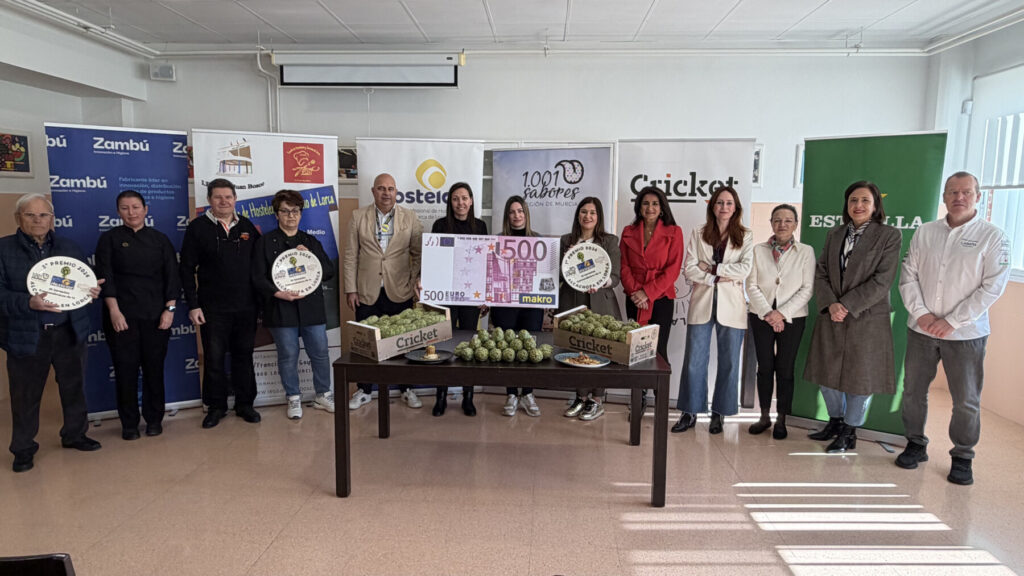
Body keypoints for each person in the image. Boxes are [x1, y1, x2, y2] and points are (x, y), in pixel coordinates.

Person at [896, 171, 1011, 485]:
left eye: (966, 192)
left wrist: (951, 321)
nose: (959, 197)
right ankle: (915, 443)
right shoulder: (925, 232)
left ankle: (962, 456)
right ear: (944, 196)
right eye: (952, 192)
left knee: (966, 399)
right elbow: (908, 276)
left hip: (965, 334)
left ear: (978, 196)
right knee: (913, 392)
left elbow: (992, 287)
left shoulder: (993, 236)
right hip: (921, 329)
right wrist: (921, 314)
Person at [0, 193, 102, 472]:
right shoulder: (3, 249)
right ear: (18, 218)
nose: (37, 220)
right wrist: (26, 302)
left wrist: (90, 292)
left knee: (74, 387)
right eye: (30, 215)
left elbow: (82, 285)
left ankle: (74, 434)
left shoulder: (69, 247)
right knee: (25, 395)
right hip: (27, 334)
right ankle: (22, 448)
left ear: (51, 218)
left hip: (68, 331)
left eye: (43, 215)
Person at [803, 181, 902, 452]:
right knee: (827, 374)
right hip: (831, 315)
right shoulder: (834, 234)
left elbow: (883, 280)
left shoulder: (889, 235)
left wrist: (846, 304)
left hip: (866, 317)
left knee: (860, 379)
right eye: (853, 200)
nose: (858, 205)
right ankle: (834, 421)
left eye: (865, 201)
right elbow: (821, 271)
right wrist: (831, 305)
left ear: (875, 205)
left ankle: (850, 430)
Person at [94, 190, 180, 440]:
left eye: (135, 207)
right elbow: (105, 276)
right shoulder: (109, 240)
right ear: (118, 211)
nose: (131, 212)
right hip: (121, 317)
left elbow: (172, 278)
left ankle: (154, 419)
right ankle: (129, 424)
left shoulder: (160, 240)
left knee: (154, 370)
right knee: (125, 371)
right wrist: (114, 311)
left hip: (157, 317)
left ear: (145, 209)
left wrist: (170, 310)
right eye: (124, 208)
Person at [179, 178, 263, 429]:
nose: (224, 201)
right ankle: (216, 407)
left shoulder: (247, 226)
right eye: (218, 197)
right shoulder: (197, 228)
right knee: (214, 359)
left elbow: (260, 267)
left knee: (244, 357)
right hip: (212, 308)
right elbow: (185, 269)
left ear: (235, 199)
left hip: (246, 307)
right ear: (209, 200)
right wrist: (193, 305)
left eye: (228, 197)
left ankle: (245, 404)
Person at [673, 186, 753, 435]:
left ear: (736, 207)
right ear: (712, 206)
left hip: (733, 306)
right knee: (694, 362)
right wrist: (715, 278)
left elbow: (745, 269)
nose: (724, 207)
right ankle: (689, 412)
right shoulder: (699, 233)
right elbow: (689, 269)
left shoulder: (746, 235)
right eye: (720, 203)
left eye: (729, 203)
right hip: (702, 302)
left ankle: (719, 413)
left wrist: (712, 269)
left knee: (729, 362)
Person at [252, 190, 336, 420]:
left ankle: (323, 394)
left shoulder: (310, 241)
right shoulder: (265, 242)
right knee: (288, 354)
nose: (291, 216)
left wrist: (312, 259)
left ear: (300, 214)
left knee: (319, 352)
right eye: (285, 211)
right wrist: (277, 293)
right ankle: (293, 397)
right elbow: (258, 278)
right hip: (281, 307)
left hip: (311, 308)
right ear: (276, 214)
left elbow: (328, 271)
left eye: (295, 211)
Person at [344, 173, 423, 410]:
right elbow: (351, 255)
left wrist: (412, 281)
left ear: (396, 192)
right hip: (367, 291)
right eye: (381, 188)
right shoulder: (358, 217)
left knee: (403, 343)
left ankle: (406, 388)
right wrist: (351, 289)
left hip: (399, 290)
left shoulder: (410, 218)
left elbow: (419, 253)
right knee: (365, 345)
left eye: (390, 188)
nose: (386, 193)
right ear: (373, 191)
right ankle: (364, 390)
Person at [745, 204, 815, 439]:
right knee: (764, 367)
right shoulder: (758, 250)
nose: (782, 224)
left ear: (795, 224)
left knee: (785, 369)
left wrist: (781, 313)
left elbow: (807, 289)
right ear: (771, 223)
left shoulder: (806, 251)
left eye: (787, 220)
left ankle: (781, 419)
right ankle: (764, 416)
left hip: (793, 317)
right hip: (760, 316)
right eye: (777, 220)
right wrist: (768, 312)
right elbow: (751, 285)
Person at [620, 186, 684, 418]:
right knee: (636, 351)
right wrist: (636, 292)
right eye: (646, 203)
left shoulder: (674, 232)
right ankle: (639, 398)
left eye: (655, 204)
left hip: (661, 298)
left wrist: (648, 292)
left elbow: (673, 269)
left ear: (662, 207)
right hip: (634, 298)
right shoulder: (628, 231)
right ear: (639, 206)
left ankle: (661, 401)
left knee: (658, 350)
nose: (650, 208)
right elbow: (623, 265)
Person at [559, 197, 621, 421]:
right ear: (578, 215)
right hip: (572, 302)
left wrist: (602, 282)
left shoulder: (610, 241)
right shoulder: (566, 241)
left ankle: (597, 400)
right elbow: (558, 275)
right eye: (584, 212)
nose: (588, 216)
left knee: (599, 352)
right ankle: (579, 397)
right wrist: (567, 258)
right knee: (576, 350)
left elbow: (616, 277)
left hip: (601, 303)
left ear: (599, 217)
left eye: (593, 212)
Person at [430, 182, 487, 417]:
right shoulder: (440, 225)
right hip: (445, 294)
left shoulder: (481, 226)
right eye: (455, 198)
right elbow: (434, 260)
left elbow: (486, 262)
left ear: (471, 201)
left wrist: (485, 295)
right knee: (443, 342)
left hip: (471, 296)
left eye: (464, 198)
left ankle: (468, 395)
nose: (460, 203)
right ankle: (440, 395)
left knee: (469, 345)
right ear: (450, 202)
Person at [490, 196, 545, 417]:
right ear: (507, 216)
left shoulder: (538, 240)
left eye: (520, 211)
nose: (517, 215)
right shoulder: (497, 240)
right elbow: (490, 271)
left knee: (531, 347)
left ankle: (528, 393)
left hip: (531, 304)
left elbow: (545, 273)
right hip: (504, 304)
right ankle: (512, 393)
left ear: (526, 214)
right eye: (512, 212)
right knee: (507, 348)